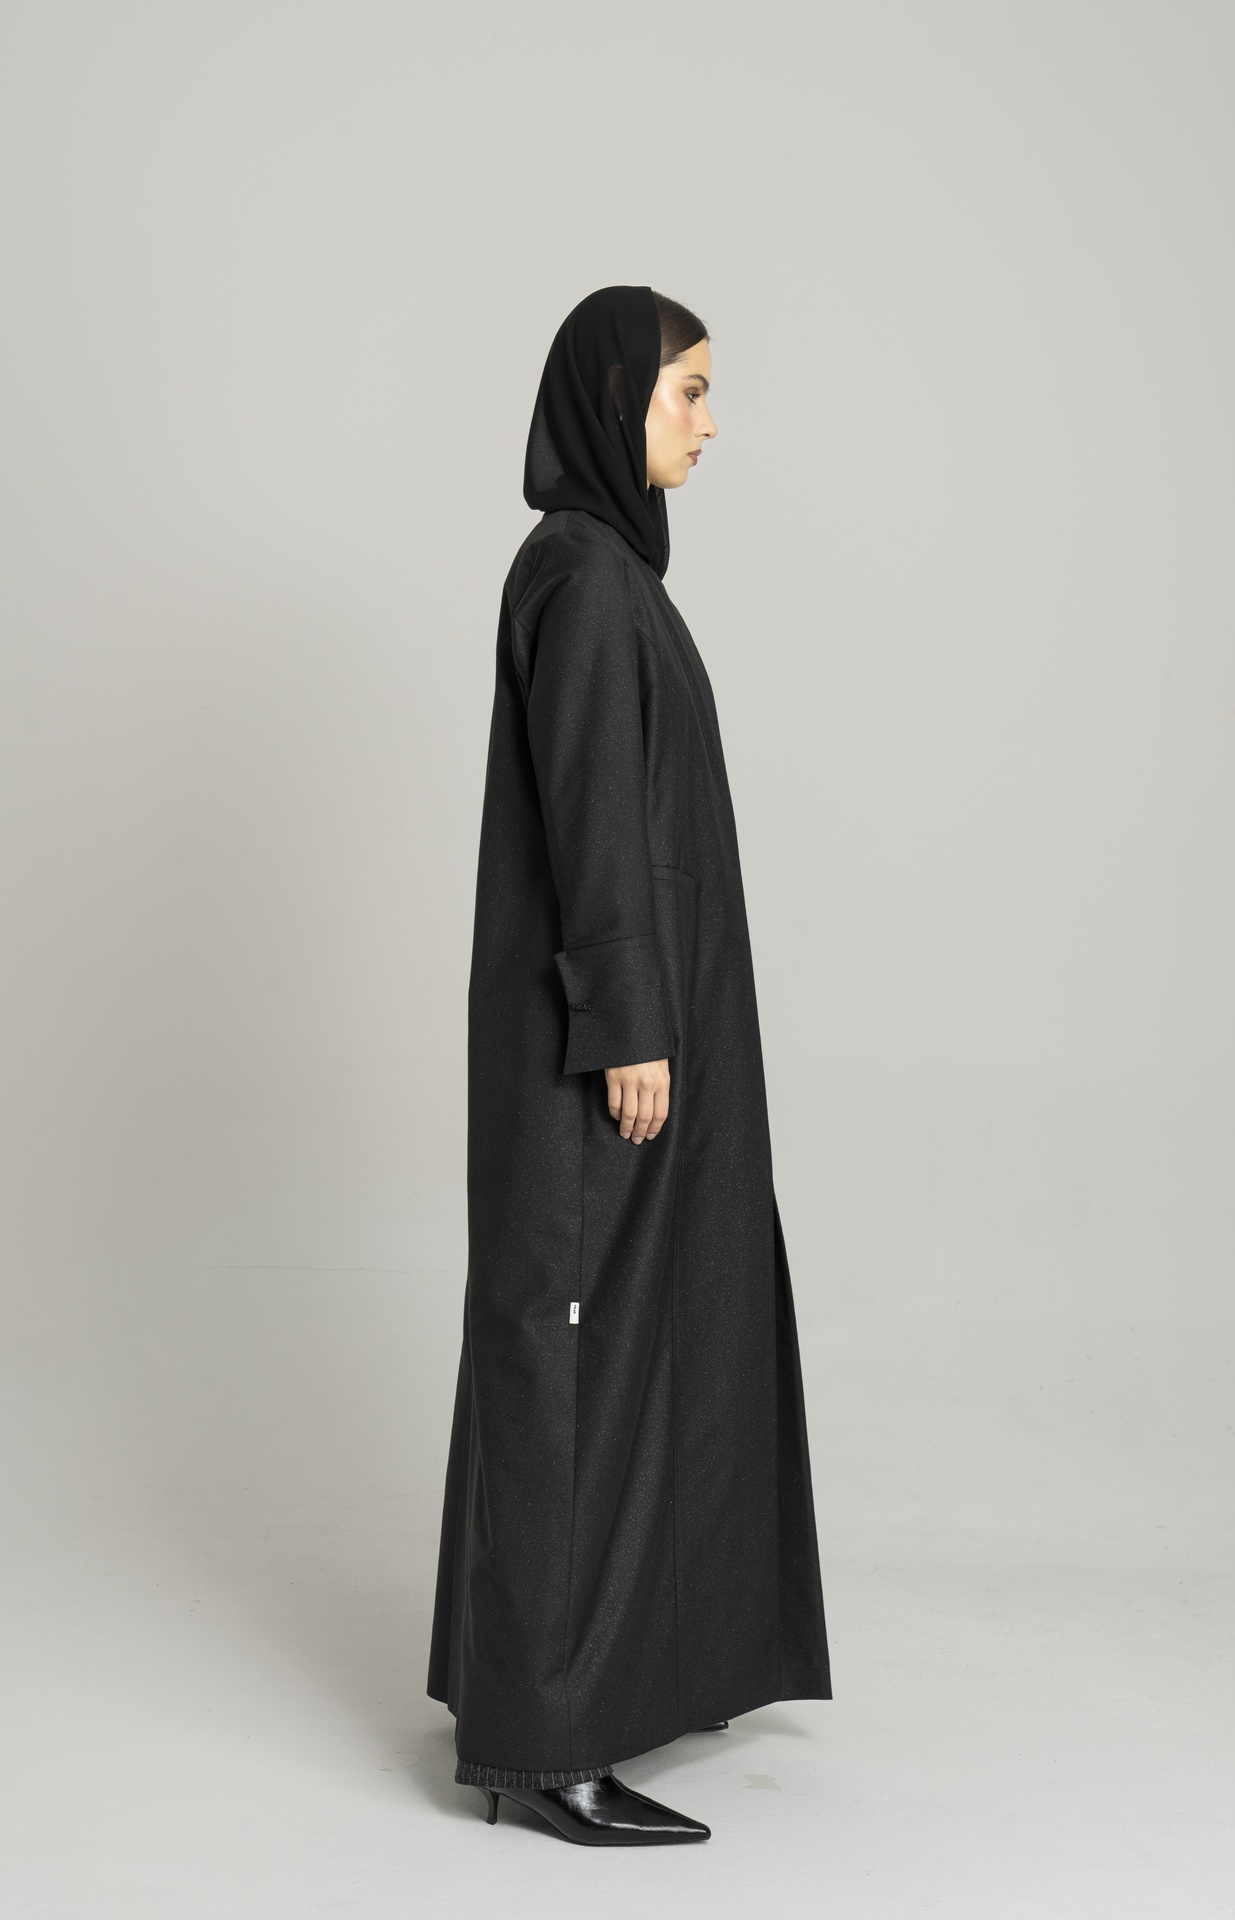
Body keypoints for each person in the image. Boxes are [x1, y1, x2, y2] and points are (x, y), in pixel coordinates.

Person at [426, 285, 831, 1847]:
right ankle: (548, 1751)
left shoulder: (600, 573)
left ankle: (575, 1691)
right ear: (616, 403)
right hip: (600, 1056)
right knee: (576, 1374)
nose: (711, 422)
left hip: (632, 1034)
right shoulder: (586, 580)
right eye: (689, 392)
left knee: (619, 1356)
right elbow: (594, 816)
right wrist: (630, 1024)